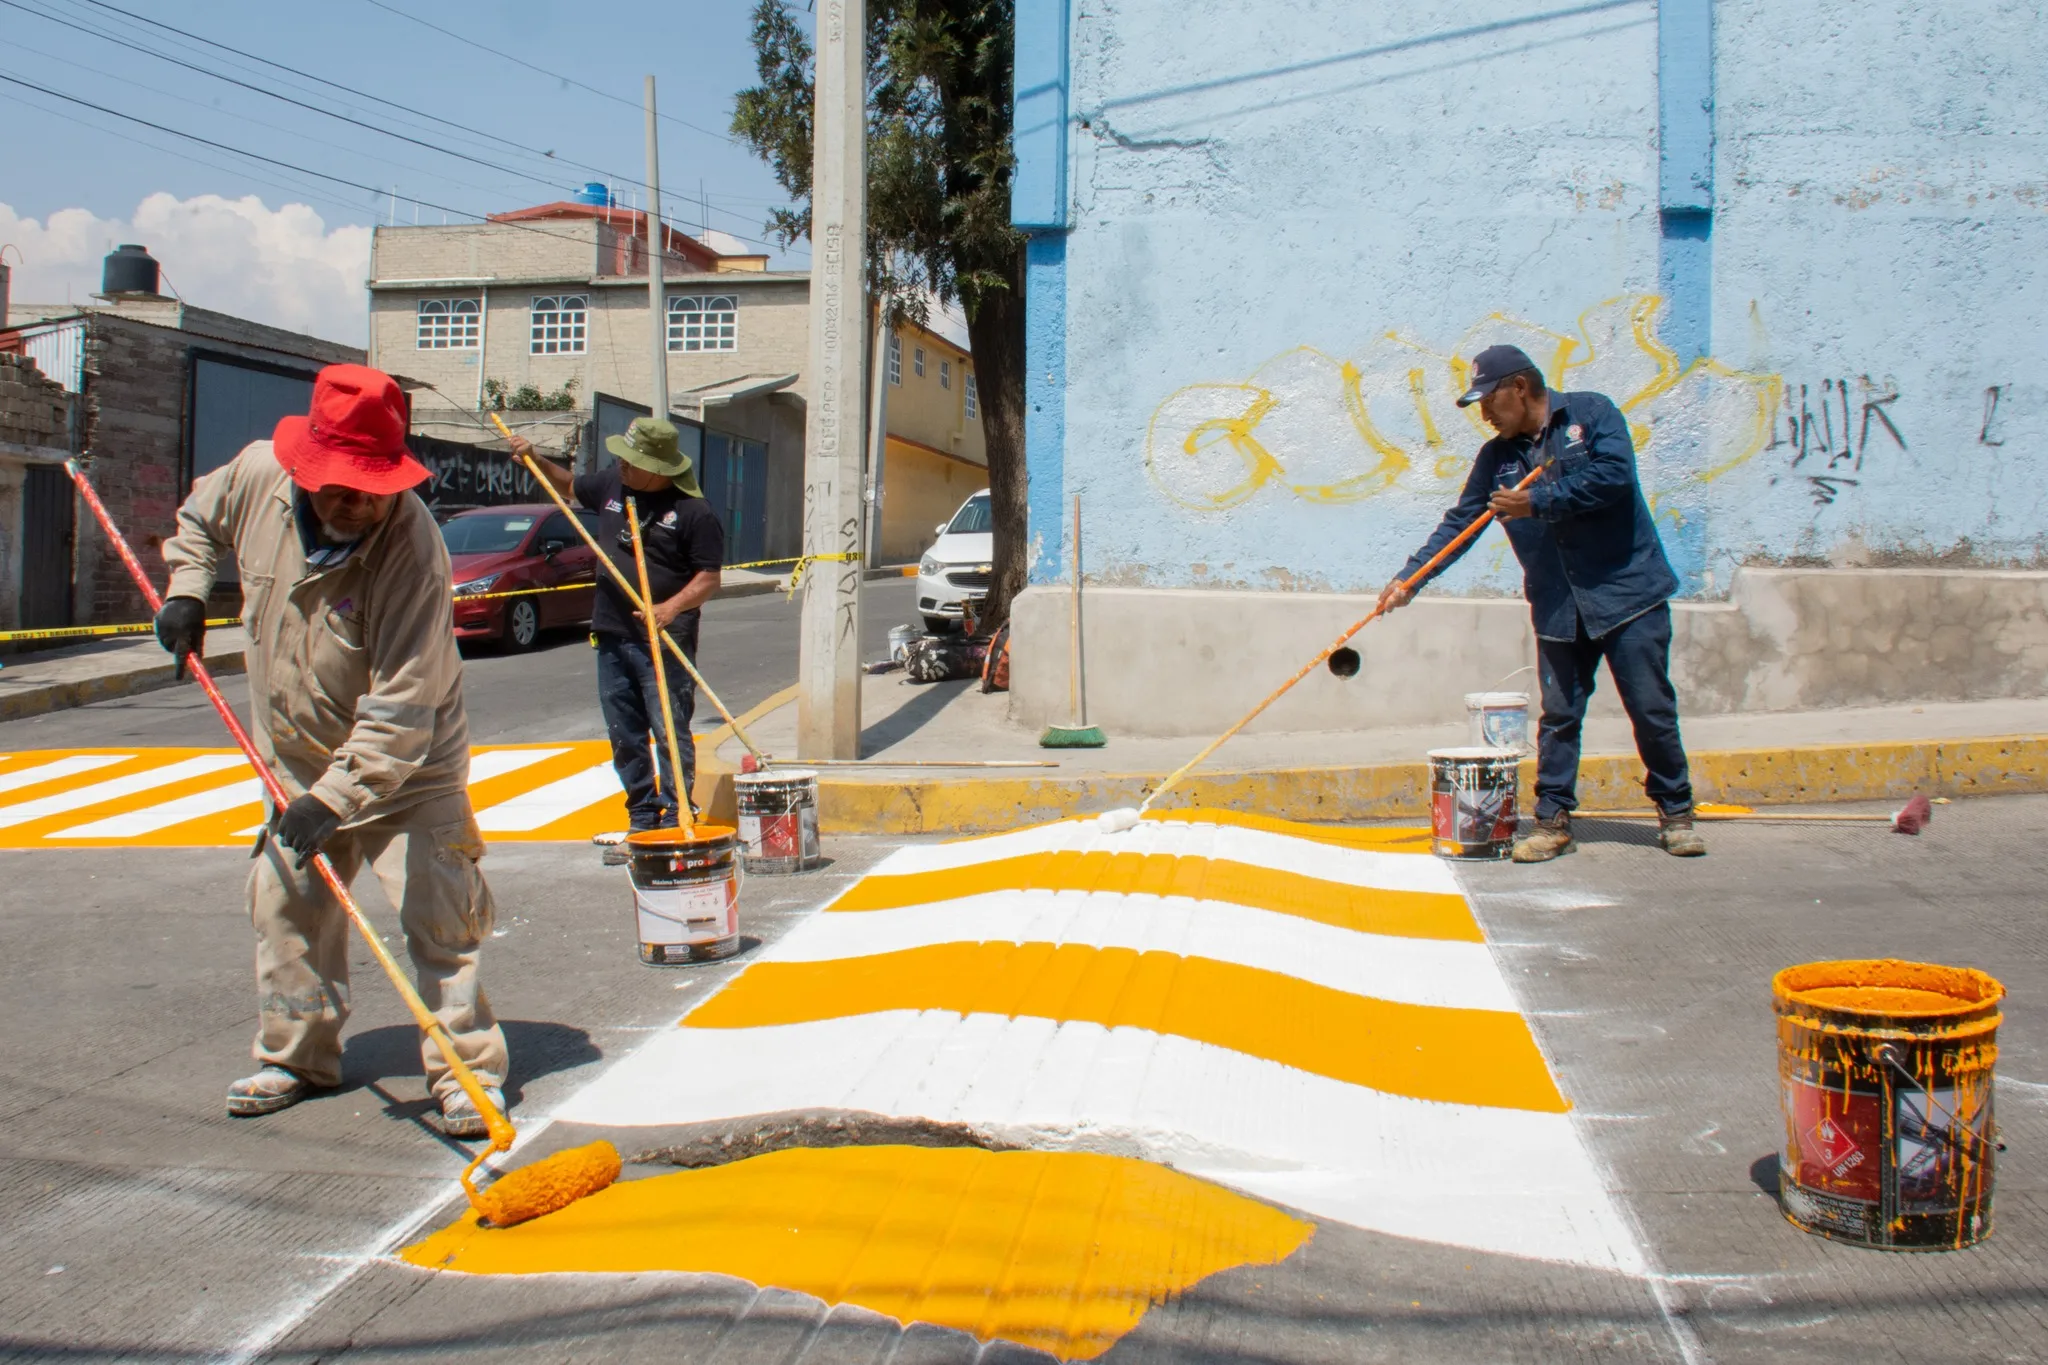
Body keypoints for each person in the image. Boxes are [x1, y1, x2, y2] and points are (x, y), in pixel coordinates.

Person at [154, 364, 510, 1135]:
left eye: (370, 490)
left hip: (409, 768)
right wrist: (187, 588)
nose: (354, 504)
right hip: (297, 761)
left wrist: (337, 799)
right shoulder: (255, 476)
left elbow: (404, 705)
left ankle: (466, 1074)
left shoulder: (413, 550)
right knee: (287, 908)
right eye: (338, 488)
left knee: (441, 919)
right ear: (304, 467)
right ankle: (296, 1054)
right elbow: (196, 520)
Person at [1378, 344, 1705, 862]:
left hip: (1627, 593)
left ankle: (1676, 812)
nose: (1484, 415)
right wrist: (1410, 577)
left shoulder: (1592, 414)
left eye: (1489, 401)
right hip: (1558, 603)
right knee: (1559, 716)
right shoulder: (1497, 459)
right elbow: (1463, 522)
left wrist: (1539, 501)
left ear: (1520, 388)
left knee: (1650, 708)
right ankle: (1553, 821)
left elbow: (1614, 477)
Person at [509, 419, 722, 858]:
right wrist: (535, 458)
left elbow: (708, 578)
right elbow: (571, 486)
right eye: (622, 459)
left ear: (659, 467)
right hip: (610, 631)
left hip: (664, 635)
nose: (621, 466)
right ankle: (642, 819)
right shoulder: (612, 484)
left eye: (632, 462)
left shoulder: (693, 510)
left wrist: (670, 607)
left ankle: (677, 814)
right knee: (624, 731)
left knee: (668, 727)